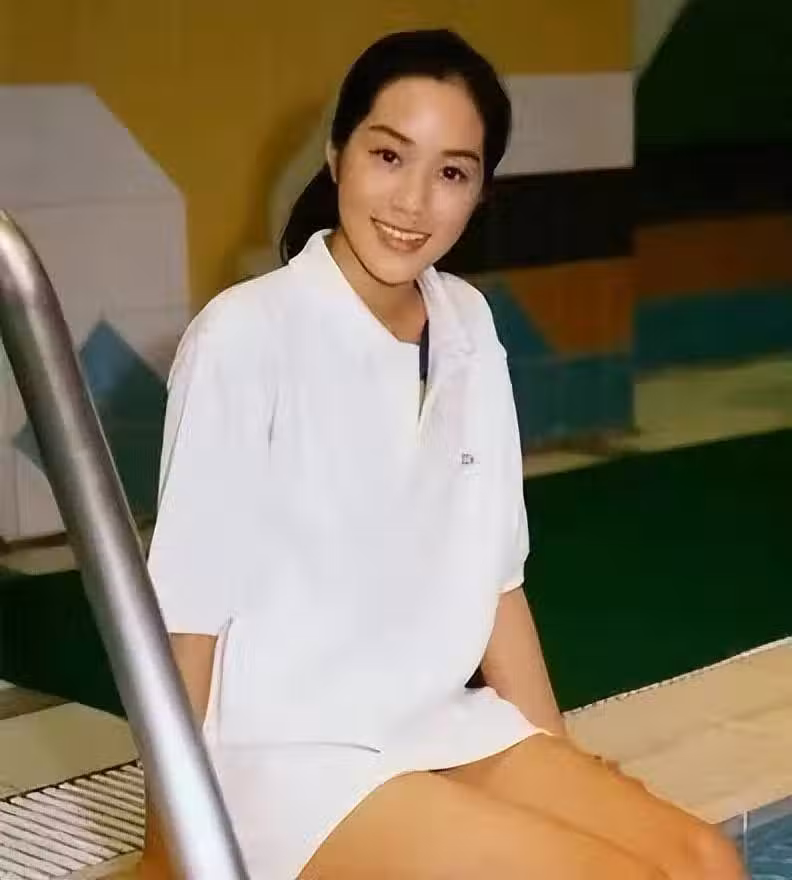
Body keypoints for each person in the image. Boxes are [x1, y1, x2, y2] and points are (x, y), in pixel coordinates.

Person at [139, 28, 745, 880]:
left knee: (706, 860)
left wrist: (557, 762)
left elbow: (495, 581)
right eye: (389, 156)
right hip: (285, 758)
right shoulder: (245, 335)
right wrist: (169, 850)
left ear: (479, 192)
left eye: (451, 173)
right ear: (337, 153)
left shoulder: (467, 323)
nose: (414, 202)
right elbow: (186, 621)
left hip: (435, 726)